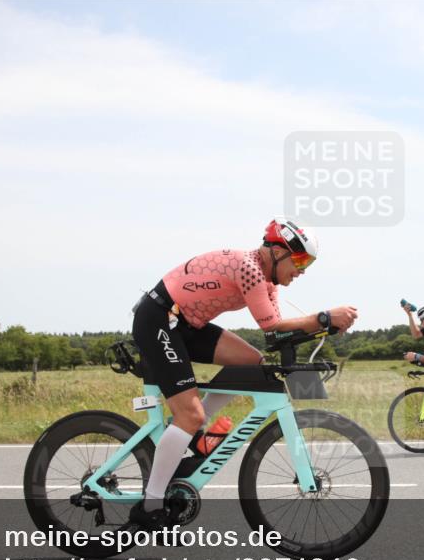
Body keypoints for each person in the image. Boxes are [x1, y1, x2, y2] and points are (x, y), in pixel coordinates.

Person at [131, 219, 358, 529]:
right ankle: (151, 505)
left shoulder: (268, 282)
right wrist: (323, 317)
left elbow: (275, 336)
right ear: (278, 252)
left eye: (309, 263)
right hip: (159, 318)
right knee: (191, 415)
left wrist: (323, 327)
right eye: (301, 260)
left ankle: (194, 436)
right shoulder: (249, 269)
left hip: (186, 325)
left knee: (251, 361)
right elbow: (271, 326)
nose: (302, 270)